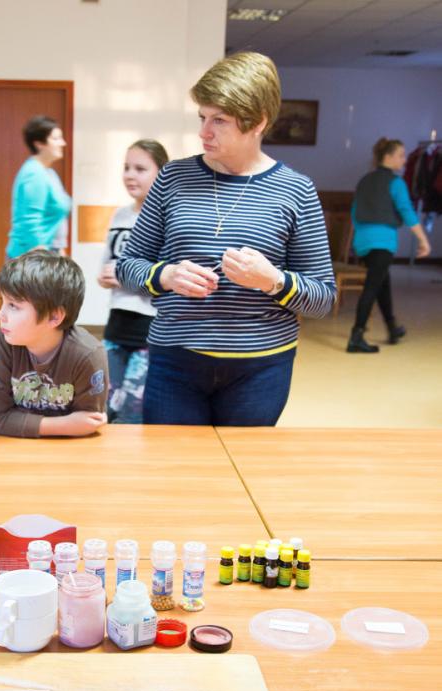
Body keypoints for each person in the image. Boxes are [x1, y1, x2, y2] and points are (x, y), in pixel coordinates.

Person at [115, 51, 336, 426]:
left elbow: (323, 298)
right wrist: (166, 276)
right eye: (202, 117)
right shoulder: (172, 178)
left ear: (258, 122)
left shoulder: (296, 190)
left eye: (219, 120)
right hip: (175, 360)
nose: (204, 132)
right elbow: (127, 267)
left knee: (243, 463)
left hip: (261, 368)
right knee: (173, 460)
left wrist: (272, 280)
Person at [0, 251, 108, 438]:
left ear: (54, 317)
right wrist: (65, 425)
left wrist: (15, 419)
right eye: (3, 302)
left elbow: (88, 423)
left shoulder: (88, 355)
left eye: (13, 306)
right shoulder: (4, 341)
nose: (0, 315)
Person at [98, 139, 169, 423]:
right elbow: (107, 263)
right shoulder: (120, 214)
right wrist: (105, 276)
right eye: (126, 167)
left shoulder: (168, 219)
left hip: (150, 328)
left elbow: (167, 277)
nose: (130, 175)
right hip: (117, 325)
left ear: (161, 172)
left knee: (133, 412)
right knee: (106, 403)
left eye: (140, 169)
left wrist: (124, 277)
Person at [347, 137, 431, 353]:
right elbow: (407, 212)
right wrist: (423, 240)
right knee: (372, 286)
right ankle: (356, 335)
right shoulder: (396, 183)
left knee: (382, 282)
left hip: (363, 242)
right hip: (383, 241)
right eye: (401, 155)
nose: (404, 160)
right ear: (388, 156)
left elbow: (355, 213)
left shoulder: (365, 180)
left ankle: (392, 328)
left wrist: (360, 238)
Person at [6, 115, 72, 258]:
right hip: (31, 256)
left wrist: (60, 251)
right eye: (56, 139)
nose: (63, 143)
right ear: (39, 143)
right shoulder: (34, 173)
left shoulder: (49, 173)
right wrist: (42, 260)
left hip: (48, 252)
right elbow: (30, 222)